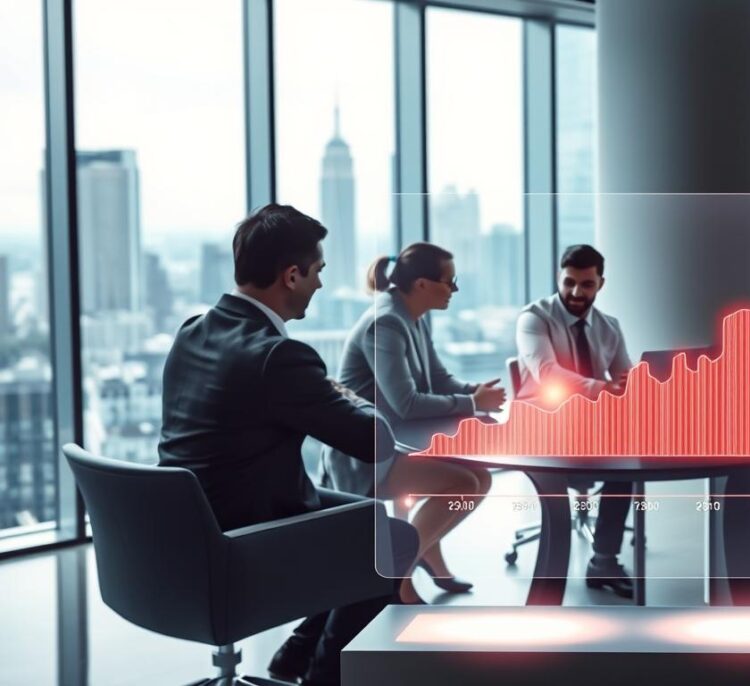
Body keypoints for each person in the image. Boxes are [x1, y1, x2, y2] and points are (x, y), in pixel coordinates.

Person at [158, 204, 418, 686]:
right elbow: (377, 441)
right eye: (317, 271)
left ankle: (294, 659)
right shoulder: (277, 355)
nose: (320, 284)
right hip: (243, 545)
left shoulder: (193, 331)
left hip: (180, 537)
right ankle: (321, 676)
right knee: (391, 543)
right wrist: (342, 391)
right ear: (292, 275)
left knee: (369, 522)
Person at [321, 243, 504, 604]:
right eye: (449, 282)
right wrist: (470, 403)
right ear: (422, 284)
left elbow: (436, 379)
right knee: (465, 484)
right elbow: (404, 403)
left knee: (479, 475)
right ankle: (397, 574)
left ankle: (425, 550)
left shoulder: (412, 316)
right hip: (367, 456)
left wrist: (475, 393)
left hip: (397, 442)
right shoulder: (386, 322)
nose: (453, 290)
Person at [514, 244, 635, 598]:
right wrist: (604, 387)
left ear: (601, 283)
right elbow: (547, 373)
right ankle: (552, 570)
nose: (576, 292)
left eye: (586, 284)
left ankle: (603, 562)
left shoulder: (609, 327)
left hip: (589, 431)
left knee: (626, 462)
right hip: (543, 430)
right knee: (616, 459)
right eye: (569, 283)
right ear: (559, 278)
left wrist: (633, 385)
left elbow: (625, 377)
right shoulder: (533, 318)